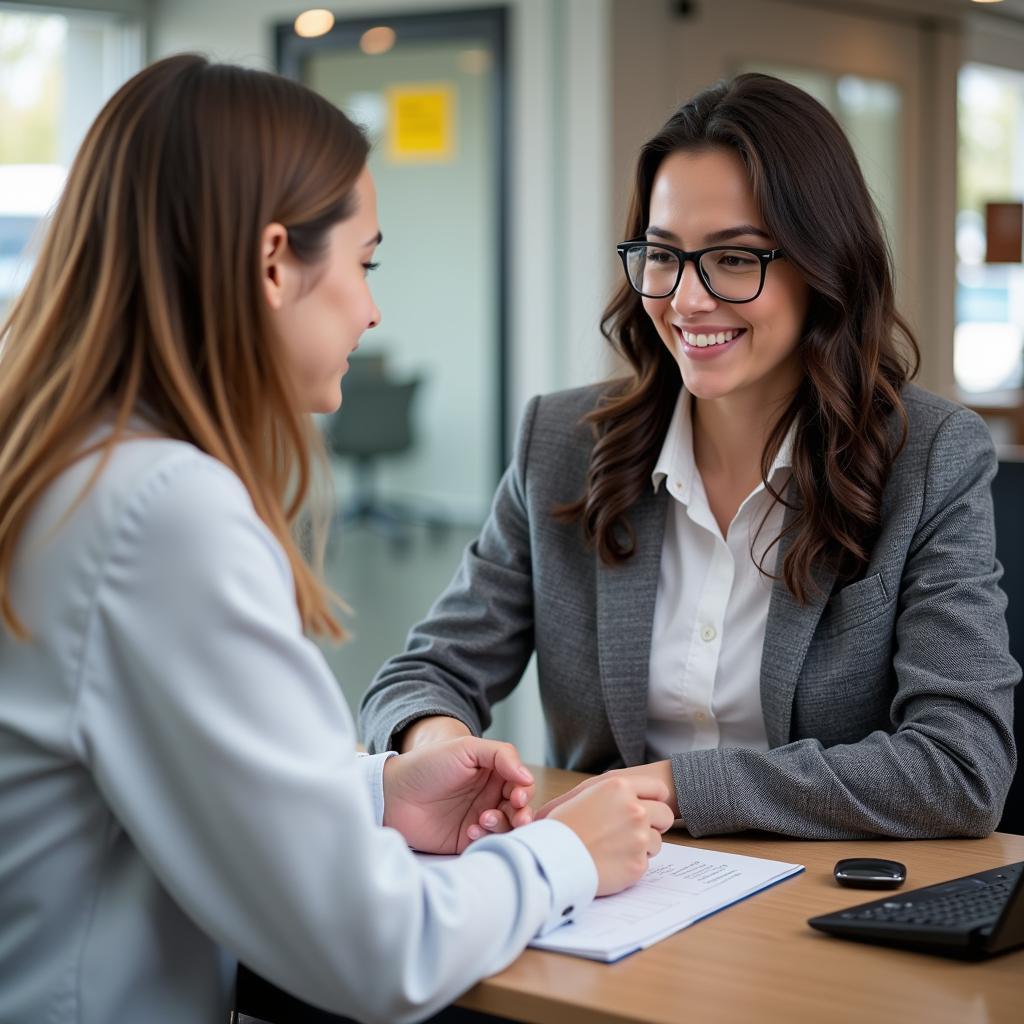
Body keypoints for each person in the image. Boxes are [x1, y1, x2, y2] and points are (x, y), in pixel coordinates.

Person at [0, 55, 676, 1024]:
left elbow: (135, 765)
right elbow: (377, 949)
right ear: (274, 260)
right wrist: (568, 853)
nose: (370, 308)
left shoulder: (61, 468)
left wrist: (375, 794)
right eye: (364, 263)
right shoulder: (161, 513)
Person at [361, 72, 1020, 841]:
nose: (686, 300)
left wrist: (680, 788)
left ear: (821, 265)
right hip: (606, 897)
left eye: (736, 259)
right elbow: (422, 674)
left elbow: (961, 768)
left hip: (816, 908)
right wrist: (439, 747)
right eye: (664, 255)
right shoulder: (563, 443)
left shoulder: (930, 457)